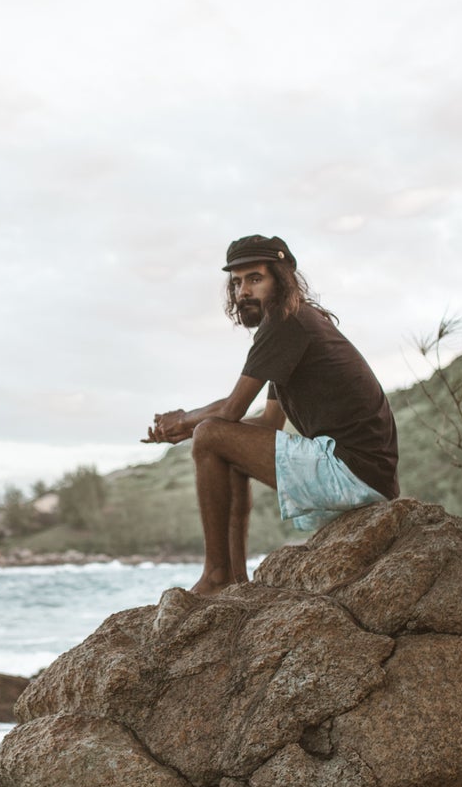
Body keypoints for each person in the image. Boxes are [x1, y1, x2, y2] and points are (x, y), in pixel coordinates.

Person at [144, 234, 399, 594]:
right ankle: (233, 580)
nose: (243, 290)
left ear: (281, 279)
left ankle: (218, 577)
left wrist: (187, 422)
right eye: (236, 282)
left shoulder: (286, 321)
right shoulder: (295, 324)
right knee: (218, 442)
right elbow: (267, 423)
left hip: (352, 472)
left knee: (211, 436)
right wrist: (197, 430)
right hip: (368, 477)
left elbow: (233, 409)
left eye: (255, 278)